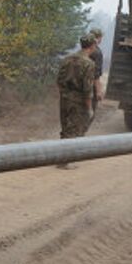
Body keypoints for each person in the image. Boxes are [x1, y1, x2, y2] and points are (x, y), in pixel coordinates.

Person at [56, 32, 97, 169]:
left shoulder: (67, 59)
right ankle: (64, 162)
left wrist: (65, 93)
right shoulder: (89, 64)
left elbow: (59, 80)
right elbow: (87, 89)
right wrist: (89, 108)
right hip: (78, 101)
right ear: (92, 46)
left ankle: (60, 158)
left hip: (64, 98)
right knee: (73, 131)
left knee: (65, 128)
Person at [88, 27, 105, 118]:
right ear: (98, 38)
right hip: (90, 87)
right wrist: (98, 91)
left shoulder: (84, 49)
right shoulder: (97, 52)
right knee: (89, 114)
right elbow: (96, 75)